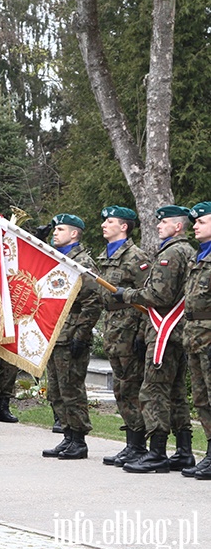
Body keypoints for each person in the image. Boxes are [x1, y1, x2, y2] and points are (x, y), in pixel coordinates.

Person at [114, 205, 195, 474]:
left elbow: (159, 296)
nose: (158, 226)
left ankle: (157, 452)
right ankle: (183, 451)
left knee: (154, 391)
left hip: (165, 332)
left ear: (178, 227)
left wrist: (127, 295)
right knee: (176, 393)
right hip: (178, 332)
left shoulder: (172, 253)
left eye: (164, 223)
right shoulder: (188, 251)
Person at [41, 214, 102, 461]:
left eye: (61, 229)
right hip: (56, 332)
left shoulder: (82, 262)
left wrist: (81, 334)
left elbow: (93, 301)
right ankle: (67, 435)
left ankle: (79, 440)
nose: (56, 233)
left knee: (71, 389)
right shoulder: (56, 259)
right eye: (55, 229)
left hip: (72, 334)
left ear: (74, 234)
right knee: (55, 389)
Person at [96, 206, 152, 466]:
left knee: (131, 387)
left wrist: (142, 334)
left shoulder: (135, 256)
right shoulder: (106, 255)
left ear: (124, 227)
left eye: (110, 221)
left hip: (129, 329)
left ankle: (139, 444)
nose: (104, 225)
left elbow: (146, 296)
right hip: (113, 328)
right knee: (120, 388)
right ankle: (131, 443)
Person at [183, 202, 211, 479]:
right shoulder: (198, 257)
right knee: (202, 400)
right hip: (195, 337)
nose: (195, 226)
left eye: (201, 221)